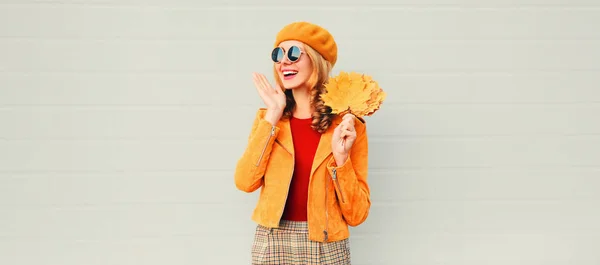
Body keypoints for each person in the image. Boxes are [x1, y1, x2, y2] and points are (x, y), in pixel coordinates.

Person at [234, 21, 371, 265]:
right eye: (278, 54)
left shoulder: (348, 126)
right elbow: (245, 182)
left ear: (317, 60)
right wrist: (273, 114)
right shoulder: (267, 120)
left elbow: (357, 214)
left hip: (326, 242)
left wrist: (341, 159)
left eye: (294, 54)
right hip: (272, 239)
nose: (283, 62)